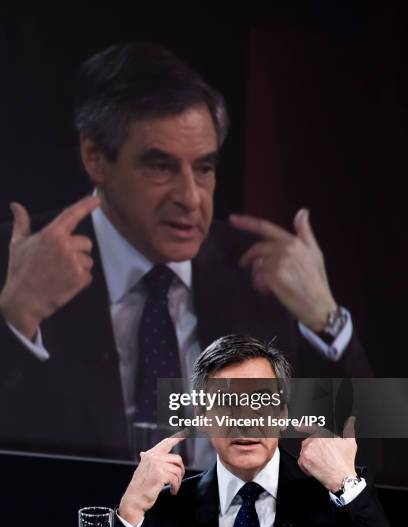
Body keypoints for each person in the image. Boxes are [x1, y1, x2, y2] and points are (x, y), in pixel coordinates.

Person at [0, 43, 371, 464]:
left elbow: (373, 455)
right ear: (95, 158)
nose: (191, 198)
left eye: (204, 168)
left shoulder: (261, 273)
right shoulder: (18, 268)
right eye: (161, 168)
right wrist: (14, 320)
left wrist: (327, 320)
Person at [114, 334, 395, 527]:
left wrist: (345, 484)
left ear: (283, 413)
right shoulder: (165, 509)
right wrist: (130, 509)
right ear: (201, 417)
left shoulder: (334, 495)